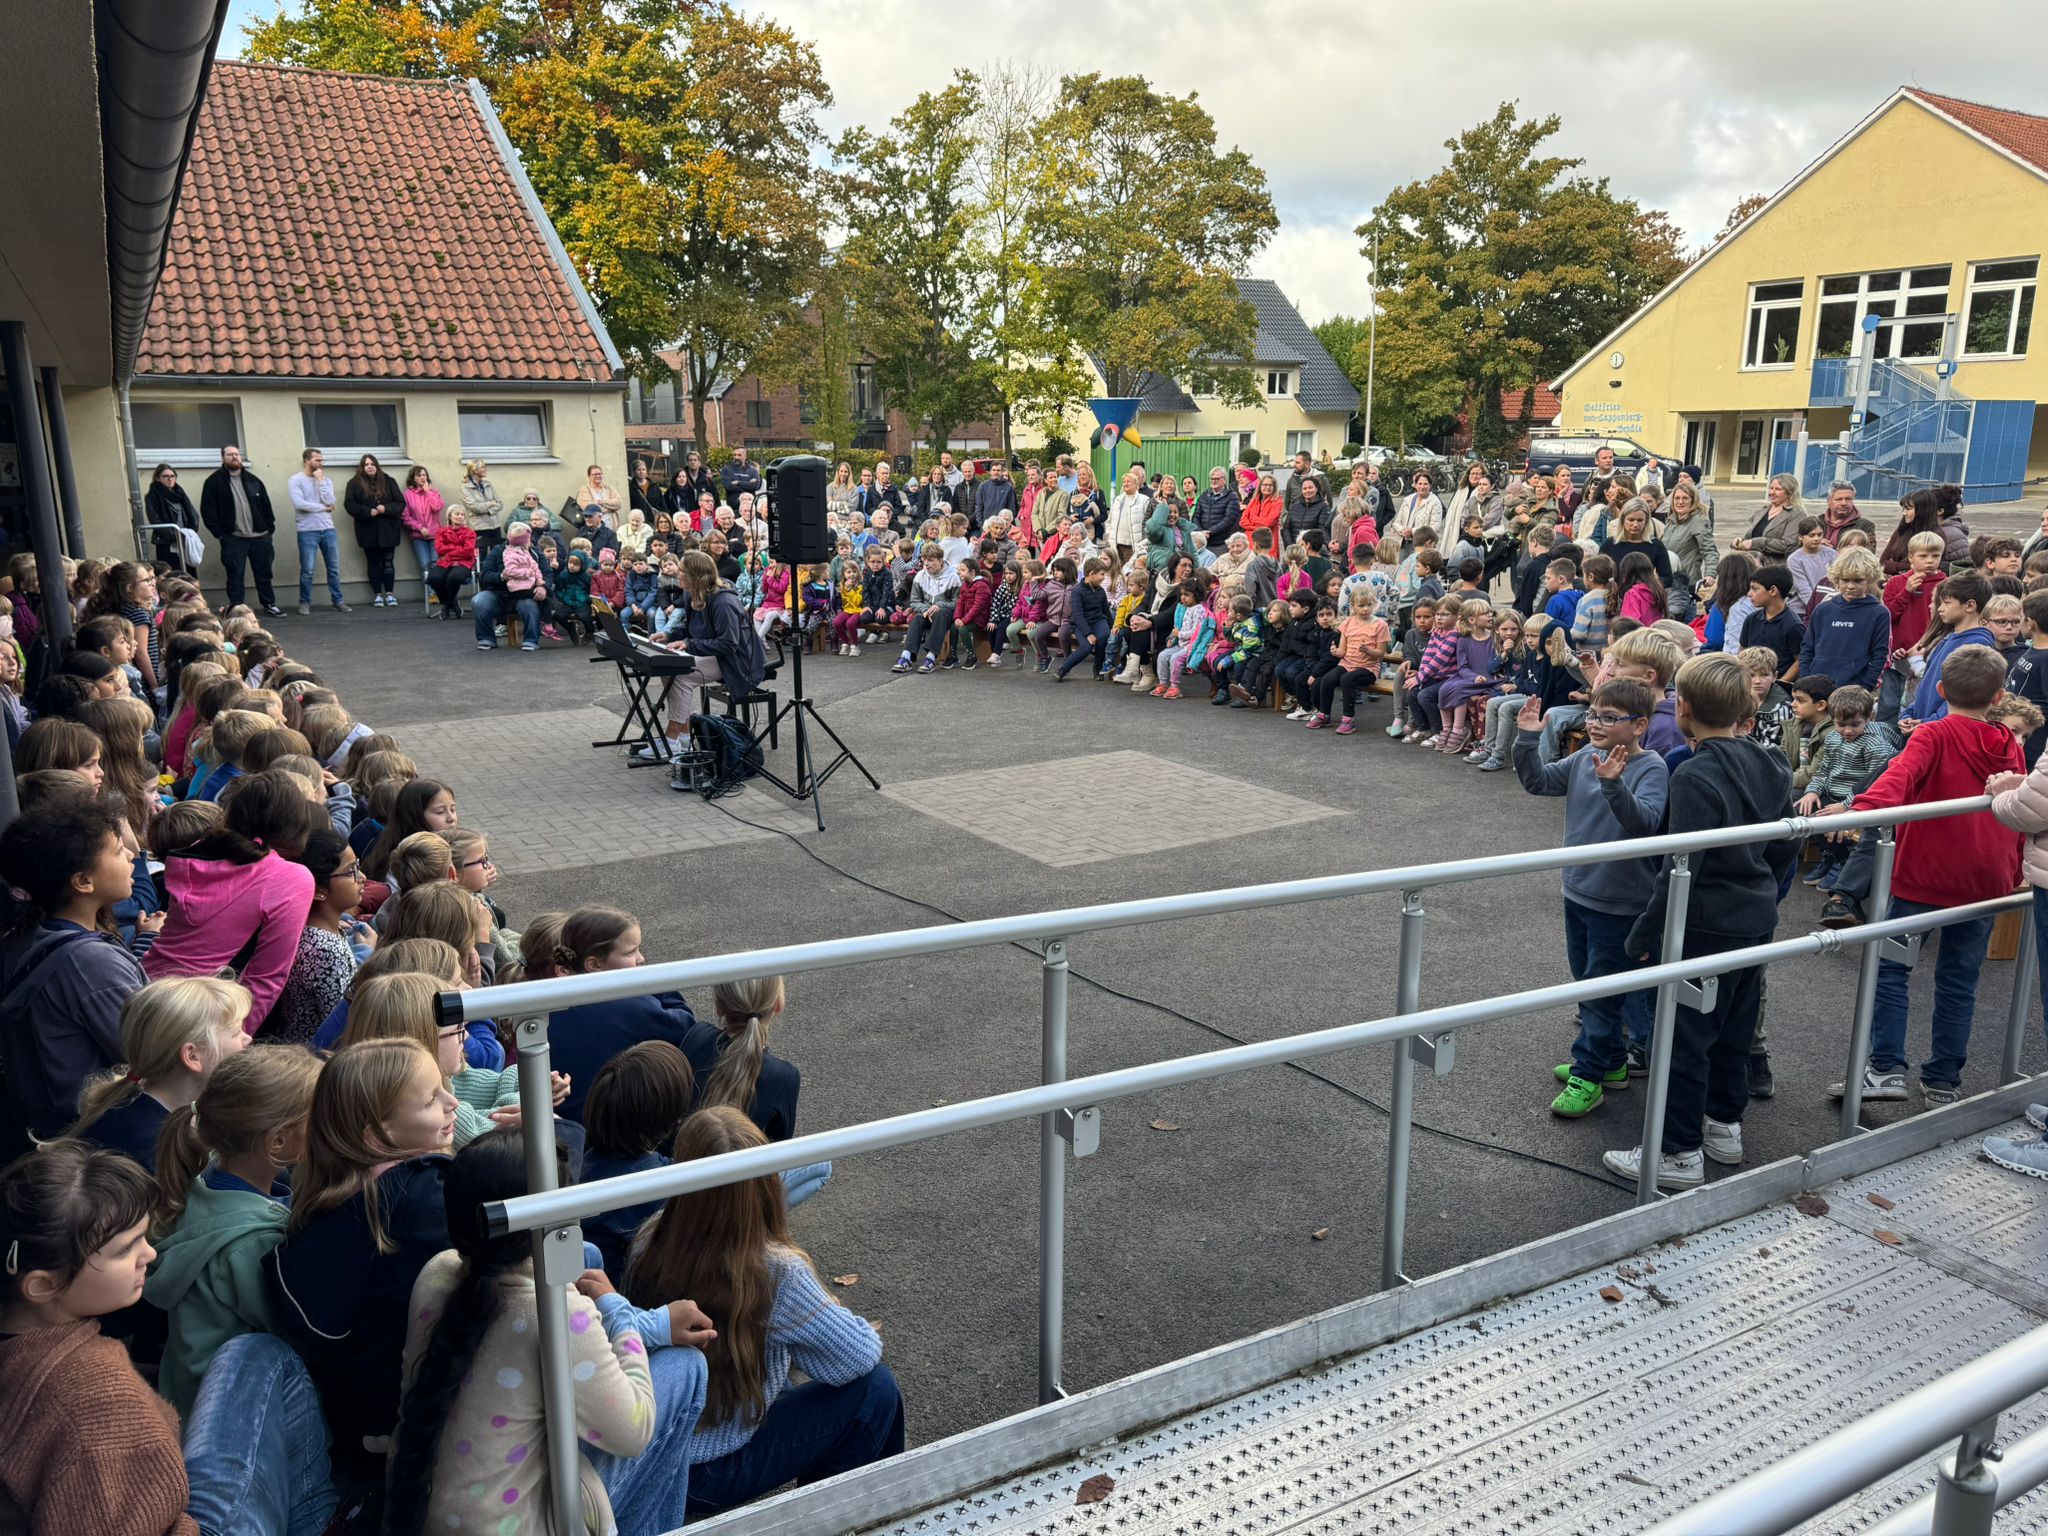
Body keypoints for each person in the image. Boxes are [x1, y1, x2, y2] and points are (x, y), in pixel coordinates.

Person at [0, 1138, 342, 1536]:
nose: (150, 1255)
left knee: (256, 1352)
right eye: (126, 1249)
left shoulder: (26, 1342)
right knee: (269, 1358)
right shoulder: (95, 1396)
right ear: (43, 1284)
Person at [387, 1128, 713, 1536]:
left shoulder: (436, 1271)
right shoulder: (553, 1314)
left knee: (586, 1258)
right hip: (523, 1522)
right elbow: (633, 1432)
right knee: (687, 1366)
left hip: (420, 1506)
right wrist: (619, 1312)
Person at [624, 1107, 903, 1521]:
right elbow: (857, 1357)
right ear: (767, 1185)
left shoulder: (651, 1236)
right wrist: (825, 1311)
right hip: (706, 1470)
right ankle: (845, 1519)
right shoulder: (777, 1270)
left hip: (655, 1456)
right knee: (876, 1392)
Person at [1598, 654, 1794, 1187]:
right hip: (1754, 917)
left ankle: (1677, 1151)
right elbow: (1783, 844)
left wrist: (1644, 931)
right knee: (1733, 1028)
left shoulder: (1694, 772)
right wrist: (1767, 894)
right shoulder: (1772, 762)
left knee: (1684, 1037)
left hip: (1705, 924)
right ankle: (1723, 1126)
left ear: (1682, 706)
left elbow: (1679, 867)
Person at [1825, 645, 2023, 1107]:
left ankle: (1887, 1066)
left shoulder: (1933, 735)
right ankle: (1943, 1078)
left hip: (1927, 873)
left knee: (1891, 968)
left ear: (1938, 689)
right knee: (1959, 979)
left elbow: (1899, 777)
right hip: (1986, 878)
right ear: (1998, 698)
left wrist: (1858, 807)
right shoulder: (2008, 742)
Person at [266, 1036, 457, 1480]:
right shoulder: (426, 1195)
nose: (452, 1103)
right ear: (380, 1134)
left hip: (355, 1415)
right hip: (411, 1416)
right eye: (432, 1099)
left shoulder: (329, 1194)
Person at [1513, 676, 1669, 1118]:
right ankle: (1613, 1064)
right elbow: (1539, 782)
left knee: (1600, 995)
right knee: (1587, 982)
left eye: (1608, 717)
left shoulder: (1651, 767)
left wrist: (1614, 785)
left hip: (1620, 902)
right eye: (1593, 714)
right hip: (1578, 890)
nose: (1595, 724)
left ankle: (1589, 1075)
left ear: (1639, 725)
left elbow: (1645, 824)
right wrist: (1527, 739)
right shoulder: (1587, 755)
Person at [143, 1042, 323, 1416]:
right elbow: (295, 1331)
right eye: (319, 1117)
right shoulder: (253, 1245)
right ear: (277, 1142)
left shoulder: (202, 1181)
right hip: (227, 1416)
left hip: (186, 1389)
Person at [0, 796, 157, 1147]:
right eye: (118, 851)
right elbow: (151, 1054)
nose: (131, 856)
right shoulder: (91, 965)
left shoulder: (27, 936)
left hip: (48, 1128)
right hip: (97, 1139)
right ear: (83, 881)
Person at [144, 772, 317, 1036]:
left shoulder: (195, 854)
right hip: (198, 1019)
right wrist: (234, 1042)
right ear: (297, 824)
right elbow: (266, 978)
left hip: (147, 994)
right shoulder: (291, 878)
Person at [645, 551, 769, 761]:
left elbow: (729, 643)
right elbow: (692, 628)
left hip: (737, 660)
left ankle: (673, 736)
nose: (678, 574)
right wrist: (667, 635)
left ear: (695, 576)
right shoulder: (691, 594)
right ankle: (682, 736)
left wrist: (688, 644)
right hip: (717, 653)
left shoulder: (723, 602)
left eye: (682, 571)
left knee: (682, 676)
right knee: (669, 671)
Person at [199, 445, 282, 616]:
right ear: (223, 458)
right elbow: (208, 511)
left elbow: (266, 507)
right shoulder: (214, 482)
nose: (234, 457)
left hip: (260, 536)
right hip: (234, 537)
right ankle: (237, 608)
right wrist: (221, 534)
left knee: (264, 572)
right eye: (230, 454)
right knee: (235, 574)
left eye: (237, 454)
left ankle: (269, 604)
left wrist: (268, 528)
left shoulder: (253, 480)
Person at [1903, 571, 1992, 726]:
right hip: (1922, 724)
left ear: (1970, 605)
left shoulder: (1977, 645)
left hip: (1939, 730)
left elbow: (1963, 698)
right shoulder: (1949, 638)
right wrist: (1910, 713)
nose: (1939, 608)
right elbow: (1926, 684)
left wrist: (1929, 722)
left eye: (1946, 603)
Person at [1798, 547, 1889, 690]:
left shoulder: (1879, 613)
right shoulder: (1822, 609)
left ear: (1870, 579)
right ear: (1836, 579)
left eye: (1858, 581)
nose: (1851, 586)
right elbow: (1807, 648)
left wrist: (1866, 686)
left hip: (1855, 688)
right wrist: (1805, 678)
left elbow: (1880, 654)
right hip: (1816, 685)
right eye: (1845, 580)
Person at [343, 453, 406, 608]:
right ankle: (377, 594)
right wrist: (367, 512)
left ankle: (390, 593)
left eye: (372, 464)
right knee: (373, 563)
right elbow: (349, 505)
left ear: (377, 466)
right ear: (362, 467)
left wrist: (386, 508)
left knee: (388, 562)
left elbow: (400, 503)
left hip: (388, 530)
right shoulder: (354, 484)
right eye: (366, 464)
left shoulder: (389, 481)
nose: (369, 467)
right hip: (367, 530)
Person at [472, 521, 546, 652]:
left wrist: (543, 587)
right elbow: (485, 575)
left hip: (525, 593)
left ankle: (531, 640)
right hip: (499, 593)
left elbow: (547, 573)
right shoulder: (498, 551)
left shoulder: (535, 552)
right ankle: (486, 638)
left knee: (529, 606)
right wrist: (501, 577)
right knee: (478, 601)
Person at [144, 462, 204, 574]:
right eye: (165, 476)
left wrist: (191, 532)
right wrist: (175, 536)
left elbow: (192, 514)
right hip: (167, 542)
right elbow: (156, 520)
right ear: (157, 478)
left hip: (185, 540)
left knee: (188, 573)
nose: (169, 479)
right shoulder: (153, 496)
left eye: (172, 476)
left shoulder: (180, 493)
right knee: (171, 574)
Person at [458, 460, 505, 557]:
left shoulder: (488, 484)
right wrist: (490, 503)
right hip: (480, 526)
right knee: (481, 556)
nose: (485, 469)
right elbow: (475, 508)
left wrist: (489, 511)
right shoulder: (465, 487)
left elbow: (499, 503)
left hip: (495, 525)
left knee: (497, 554)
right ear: (475, 470)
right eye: (483, 467)